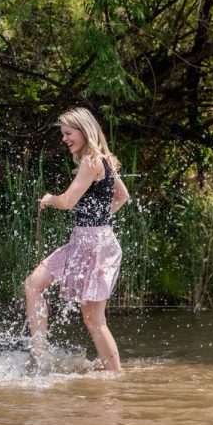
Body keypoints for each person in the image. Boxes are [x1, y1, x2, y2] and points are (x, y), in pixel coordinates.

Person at [24, 108, 129, 373]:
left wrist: (50, 199)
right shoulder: (101, 160)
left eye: (68, 133)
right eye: (63, 134)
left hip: (94, 244)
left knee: (94, 319)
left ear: (84, 130)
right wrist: (101, 223)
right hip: (87, 239)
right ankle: (40, 357)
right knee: (33, 284)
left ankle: (115, 377)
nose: (64, 139)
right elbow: (122, 197)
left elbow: (69, 201)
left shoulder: (92, 161)